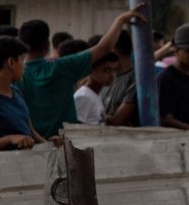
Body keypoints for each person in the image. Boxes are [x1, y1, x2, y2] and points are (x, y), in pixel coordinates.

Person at [18, 8, 144, 140]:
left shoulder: (16, 78)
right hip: (63, 146)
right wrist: (120, 20)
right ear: (47, 44)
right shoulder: (62, 67)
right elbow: (105, 47)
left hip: (31, 146)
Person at [74, 53, 117, 127]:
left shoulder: (96, 94)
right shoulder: (84, 97)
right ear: (91, 70)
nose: (112, 75)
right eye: (107, 70)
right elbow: (75, 130)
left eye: (114, 70)